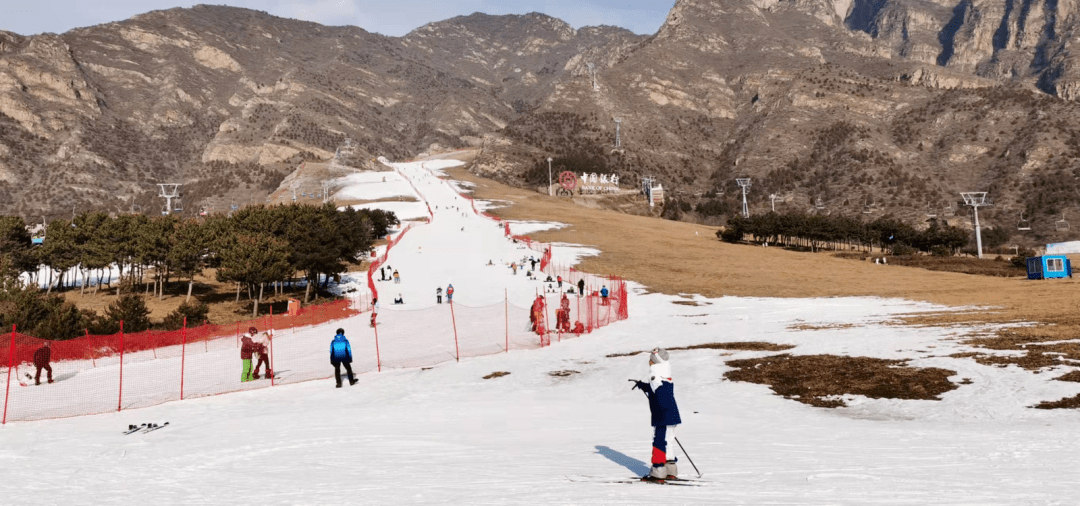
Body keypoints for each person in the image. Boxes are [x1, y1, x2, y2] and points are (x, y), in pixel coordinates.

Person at [630, 348, 682, 482]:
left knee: (659, 441)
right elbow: (658, 389)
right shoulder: (666, 376)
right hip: (672, 413)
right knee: (669, 440)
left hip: (662, 414)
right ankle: (671, 469)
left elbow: (657, 392)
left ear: (656, 362)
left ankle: (658, 470)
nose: (649, 362)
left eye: (651, 360)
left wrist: (659, 413)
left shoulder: (655, 375)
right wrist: (642, 385)